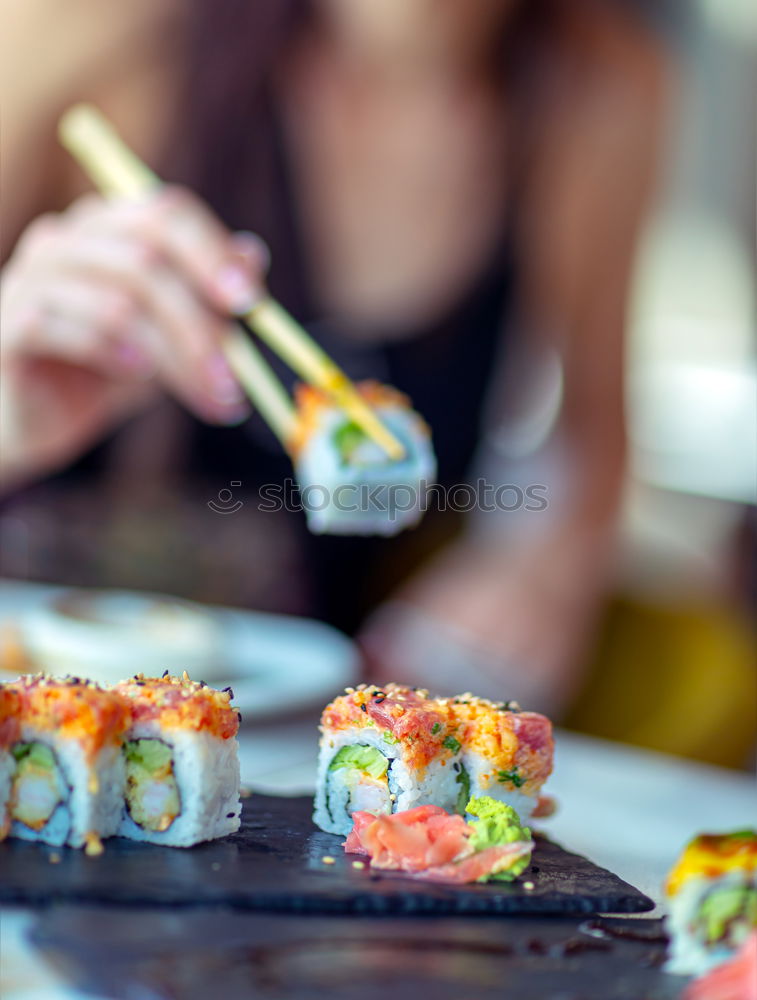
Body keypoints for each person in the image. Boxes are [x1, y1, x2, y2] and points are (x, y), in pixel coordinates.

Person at [0, 0, 668, 714]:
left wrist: (539, 572)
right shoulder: (84, 26)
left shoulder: (594, 90)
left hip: (302, 727)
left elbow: (590, 433)